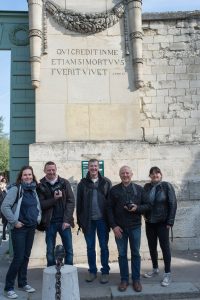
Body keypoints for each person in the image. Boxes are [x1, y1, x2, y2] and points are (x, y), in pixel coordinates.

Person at [107, 165, 150, 293]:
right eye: (123, 173)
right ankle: (124, 280)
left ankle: (136, 280)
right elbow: (108, 209)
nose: (125, 175)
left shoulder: (139, 189)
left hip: (135, 227)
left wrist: (137, 208)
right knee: (122, 254)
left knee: (136, 253)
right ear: (120, 175)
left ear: (131, 174)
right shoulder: (114, 190)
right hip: (119, 228)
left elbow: (148, 205)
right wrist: (114, 226)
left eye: (127, 173)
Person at [1, 166, 41, 299]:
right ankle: (8, 287)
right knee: (18, 258)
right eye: (25, 175)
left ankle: (23, 283)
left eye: (30, 174)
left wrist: (38, 218)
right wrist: (14, 222)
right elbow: (4, 206)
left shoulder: (33, 189)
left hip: (30, 227)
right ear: (21, 176)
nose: (28, 177)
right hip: (19, 228)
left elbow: (37, 206)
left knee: (26, 257)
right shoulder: (16, 189)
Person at [76, 159, 111, 284]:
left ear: (98, 168)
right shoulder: (82, 184)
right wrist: (80, 221)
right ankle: (92, 271)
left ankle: (105, 272)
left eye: (95, 166)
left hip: (103, 220)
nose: (94, 168)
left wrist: (111, 221)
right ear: (88, 168)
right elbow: (78, 204)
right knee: (90, 247)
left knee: (104, 247)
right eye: (91, 166)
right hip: (88, 221)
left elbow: (110, 203)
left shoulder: (106, 182)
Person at [143, 166, 177, 287]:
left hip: (163, 223)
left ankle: (167, 274)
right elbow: (143, 202)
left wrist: (170, 221)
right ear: (150, 176)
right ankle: (155, 269)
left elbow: (173, 203)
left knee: (165, 248)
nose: (155, 175)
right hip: (149, 222)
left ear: (161, 175)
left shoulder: (166, 186)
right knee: (152, 247)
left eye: (157, 173)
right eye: (152, 174)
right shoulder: (146, 187)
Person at [37, 161, 75, 266]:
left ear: (56, 169)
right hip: (49, 223)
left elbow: (71, 201)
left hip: (64, 222)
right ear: (44, 171)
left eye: (53, 169)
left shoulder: (64, 183)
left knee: (69, 250)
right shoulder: (40, 186)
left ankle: (69, 271)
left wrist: (67, 220)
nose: (51, 172)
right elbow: (41, 204)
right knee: (50, 251)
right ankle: (51, 272)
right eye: (49, 170)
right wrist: (54, 199)